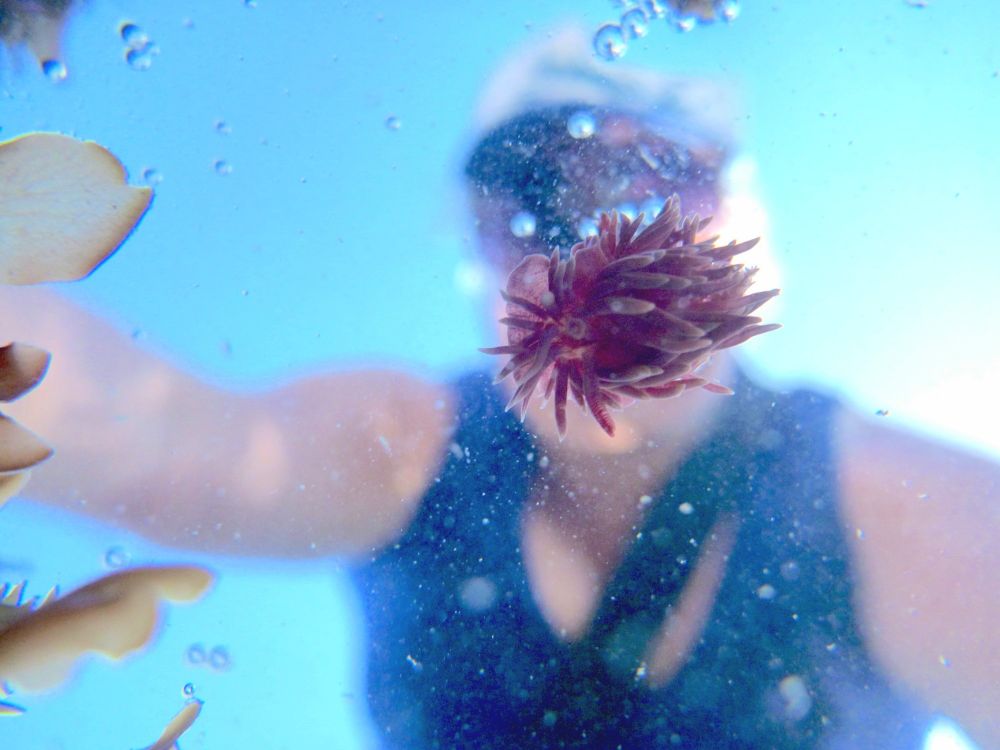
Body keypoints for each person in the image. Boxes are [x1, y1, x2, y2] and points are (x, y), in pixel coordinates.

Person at [2, 27, 998, 750]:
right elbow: (155, 438)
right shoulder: (411, 450)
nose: (594, 246)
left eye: (650, 182)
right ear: (479, 280)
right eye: (531, 205)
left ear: (755, 251)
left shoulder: (894, 514)